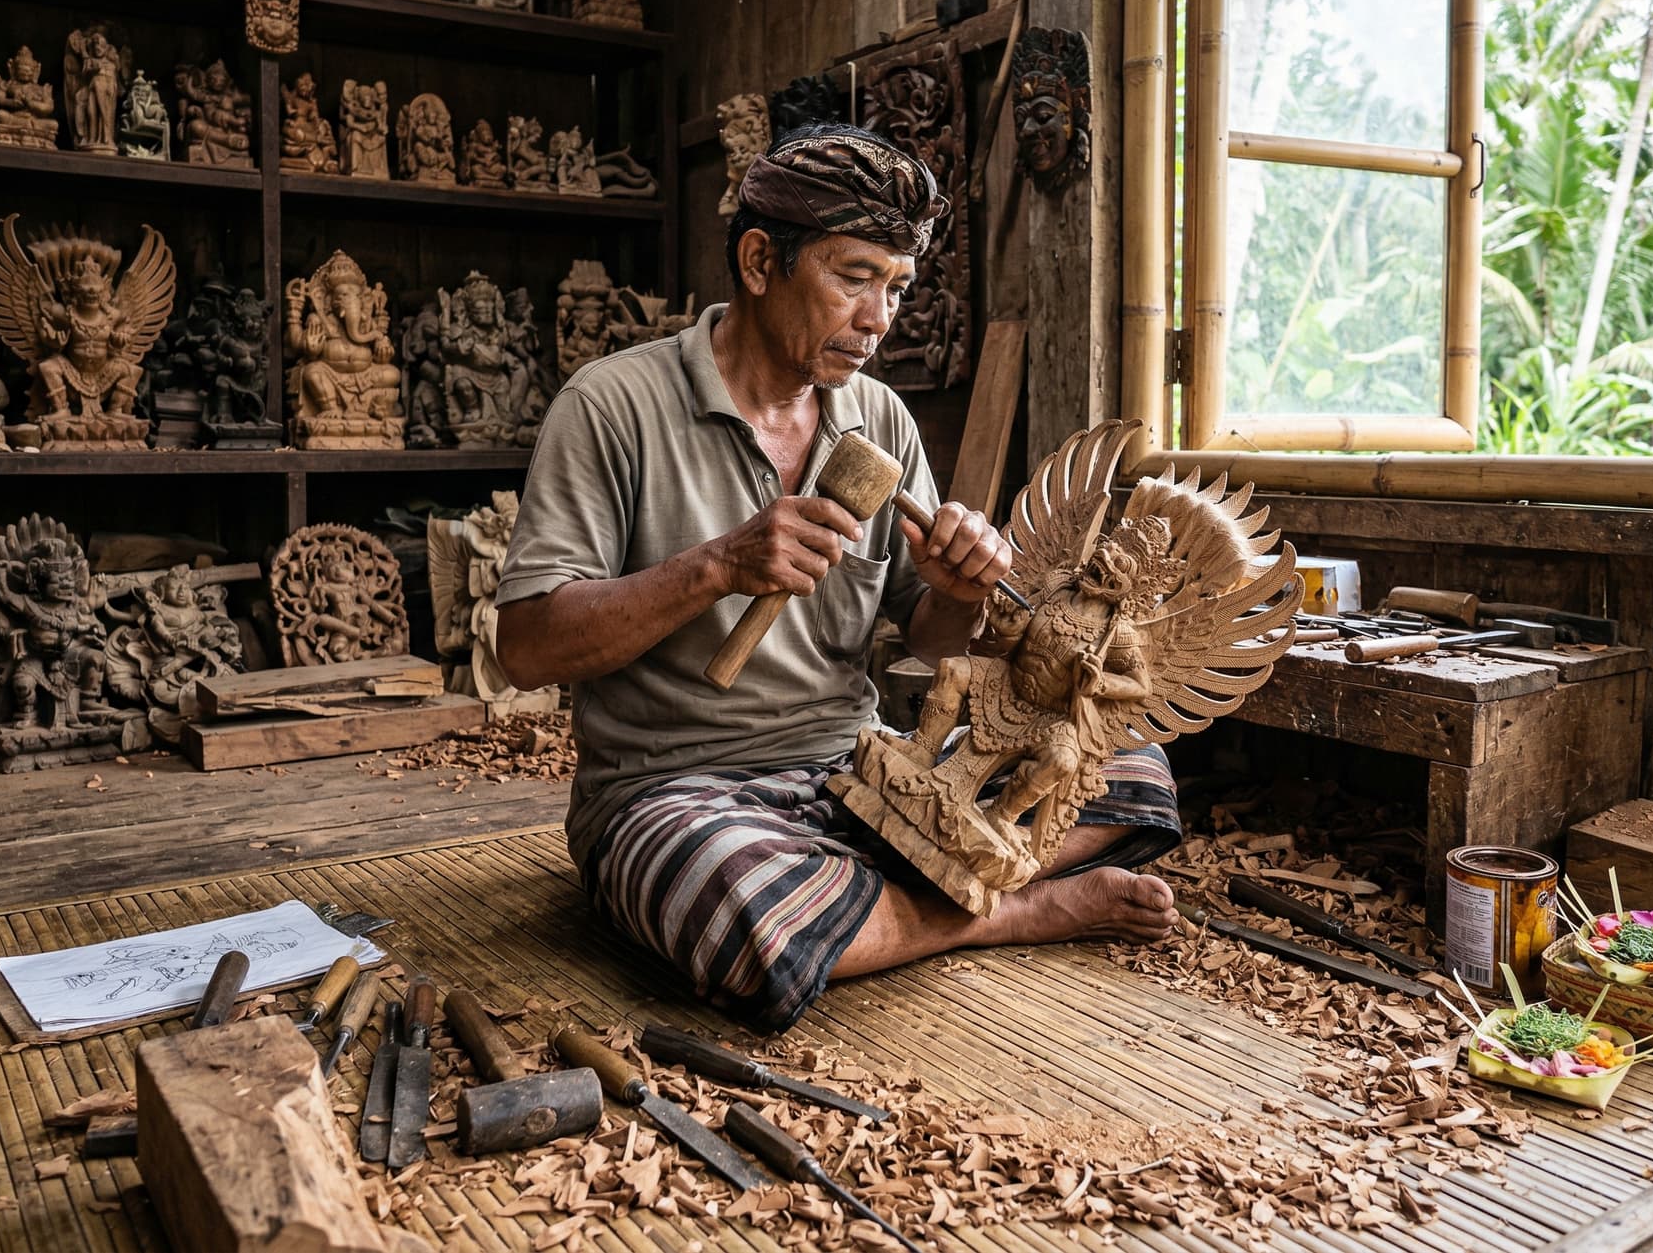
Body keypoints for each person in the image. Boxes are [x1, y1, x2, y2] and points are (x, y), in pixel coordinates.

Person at [496, 122, 1181, 1031]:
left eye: (896, 287)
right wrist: (719, 565)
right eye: (854, 276)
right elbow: (526, 646)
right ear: (756, 261)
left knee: (1131, 768)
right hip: (678, 788)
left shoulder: (879, 419)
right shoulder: (613, 406)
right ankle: (1003, 910)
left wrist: (958, 592)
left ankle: (862, 907)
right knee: (740, 902)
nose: (879, 318)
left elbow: (927, 644)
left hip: (857, 773)